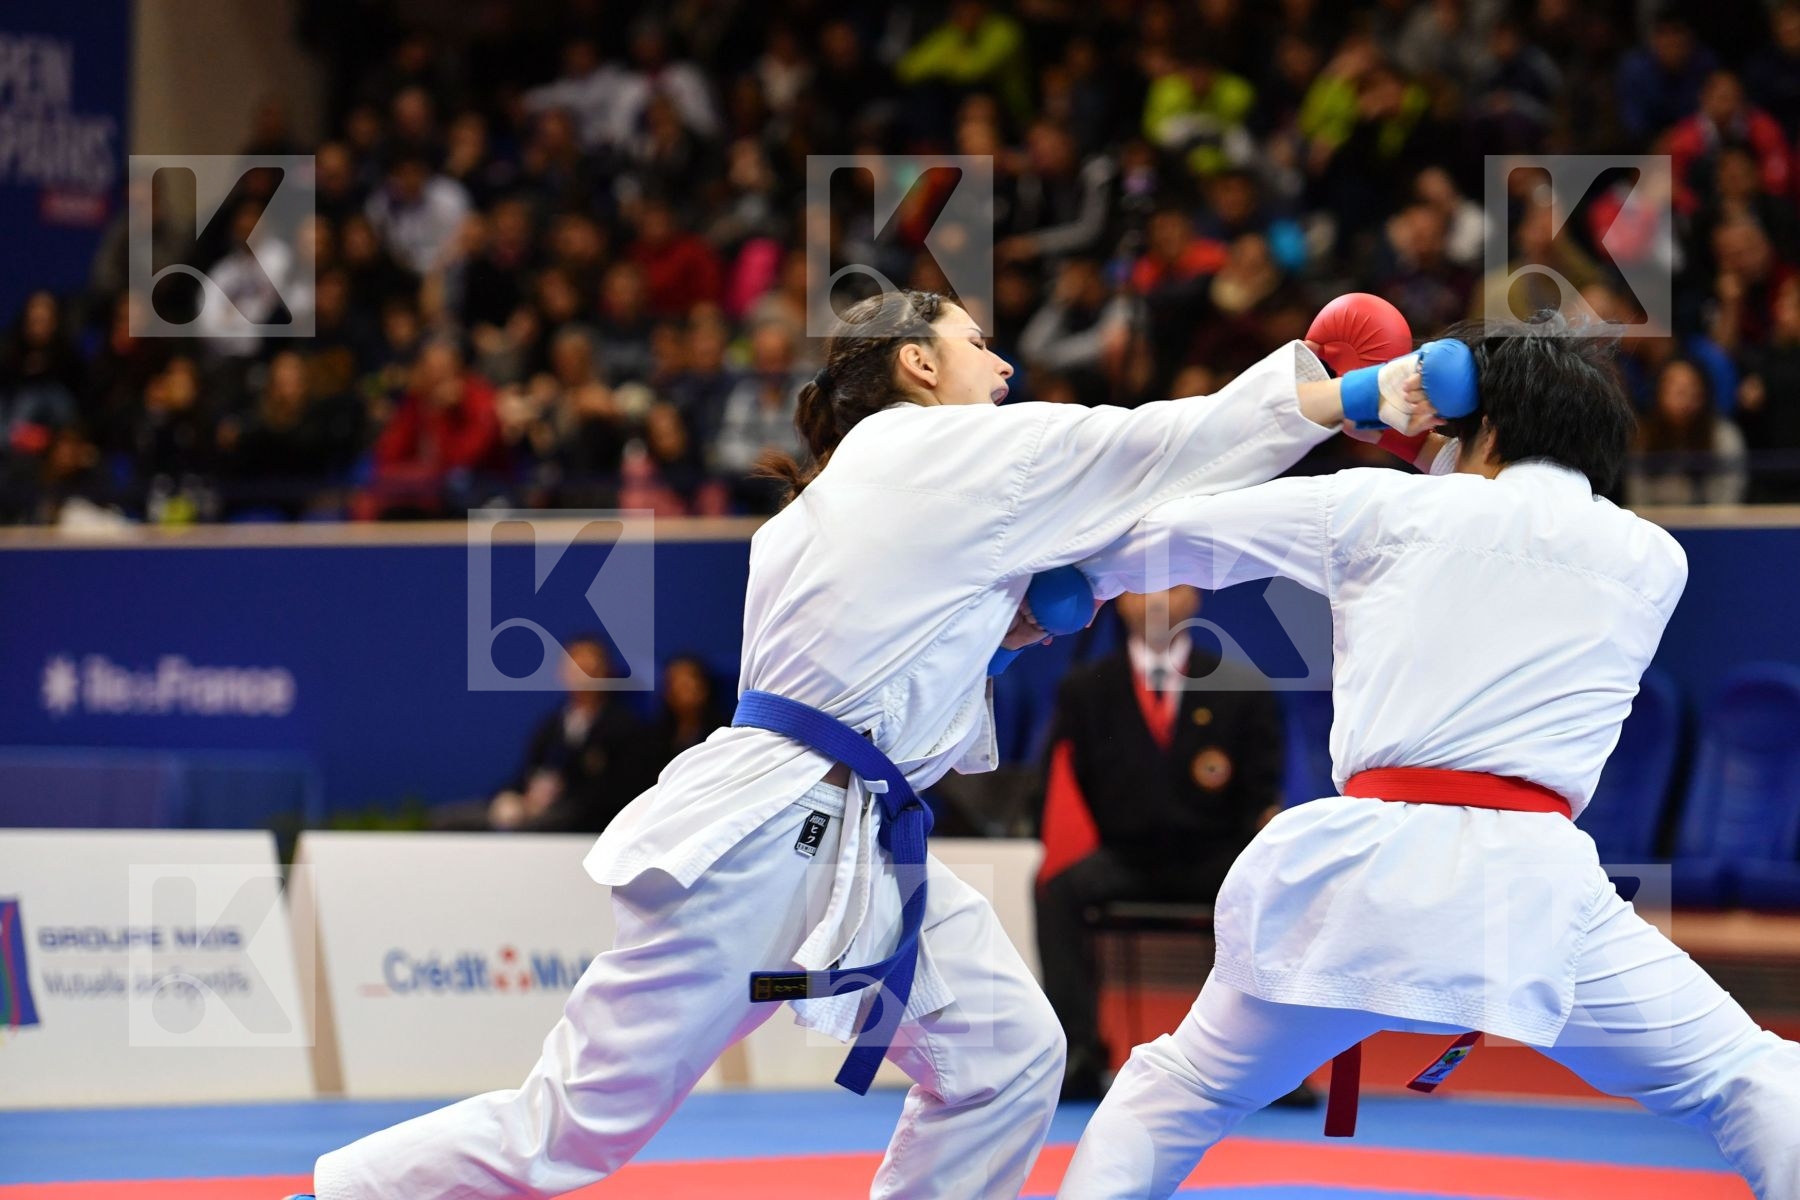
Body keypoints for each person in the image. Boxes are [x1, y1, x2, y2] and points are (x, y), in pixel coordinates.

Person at [290, 288, 1441, 1200]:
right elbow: (1155, 448)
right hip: (765, 838)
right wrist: (1346, 388)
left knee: (1007, 1058)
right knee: (571, 1132)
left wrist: (1034, 611)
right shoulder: (928, 453)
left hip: (852, 839)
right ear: (917, 365)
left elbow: (928, 639)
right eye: (979, 343)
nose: (1005, 368)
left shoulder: (843, 502)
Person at [1055, 316, 1800, 1200]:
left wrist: (1060, 588)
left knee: (1177, 1087)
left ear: (1479, 424)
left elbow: (1168, 535)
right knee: (1749, 1075)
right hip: (1534, 894)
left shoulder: (1380, 505)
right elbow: (1505, 523)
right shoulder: (1653, 558)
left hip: (1365, 874)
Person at [1033, 585, 1287, 1100]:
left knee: (1271, 891)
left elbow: (1264, 792)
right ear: (1119, 600)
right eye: (1141, 588)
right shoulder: (1085, 689)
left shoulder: (1241, 686)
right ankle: (1079, 1050)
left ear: (1194, 597)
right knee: (1057, 889)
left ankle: (1270, 1059)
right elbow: (1060, 783)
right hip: (1124, 857)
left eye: (1171, 587)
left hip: (1216, 859)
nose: (1155, 601)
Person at [433, 637, 653, 834]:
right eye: (576, 665)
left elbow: (621, 790)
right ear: (562, 672)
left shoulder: (625, 727)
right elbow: (528, 772)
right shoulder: (551, 724)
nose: (584, 675)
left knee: (534, 827)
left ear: (607, 672)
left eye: (591, 668)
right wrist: (509, 797)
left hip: (583, 821)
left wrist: (559, 796)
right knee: (448, 820)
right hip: (534, 810)